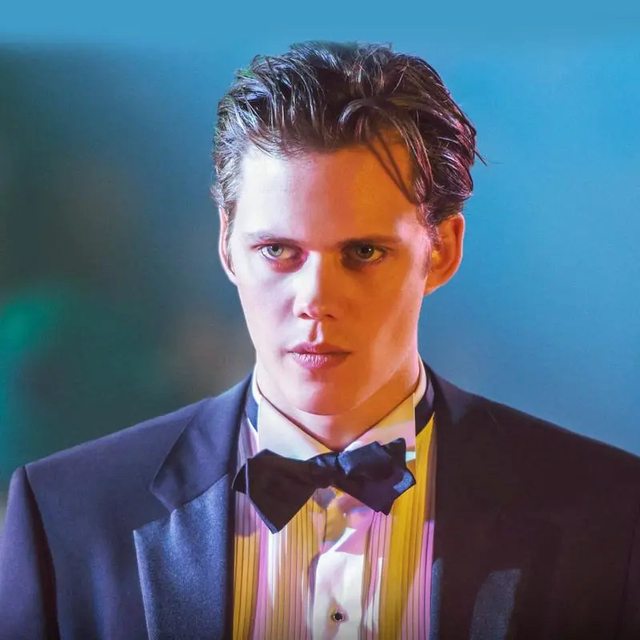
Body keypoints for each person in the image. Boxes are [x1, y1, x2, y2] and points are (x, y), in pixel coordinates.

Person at [0, 41, 639, 640]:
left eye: (363, 252)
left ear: (442, 251)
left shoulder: (613, 515)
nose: (315, 299)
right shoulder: (65, 516)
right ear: (227, 245)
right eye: (278, 250)